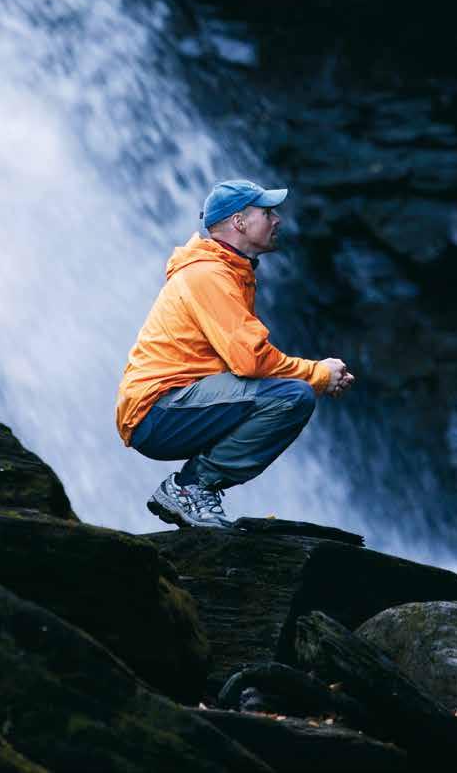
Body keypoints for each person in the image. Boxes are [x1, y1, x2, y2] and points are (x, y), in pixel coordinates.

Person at [115, 179, 355, 529]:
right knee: (291, 397)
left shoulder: (228, 271)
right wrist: (318, 373)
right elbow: (251, 360)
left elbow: (245, 361)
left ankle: (191, 489)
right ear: (239, 223)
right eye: (267, 212)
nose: (278, 220)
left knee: (289, 393)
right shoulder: (209, 274)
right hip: (158, 410)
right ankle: (189, 487)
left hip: (173, 404)